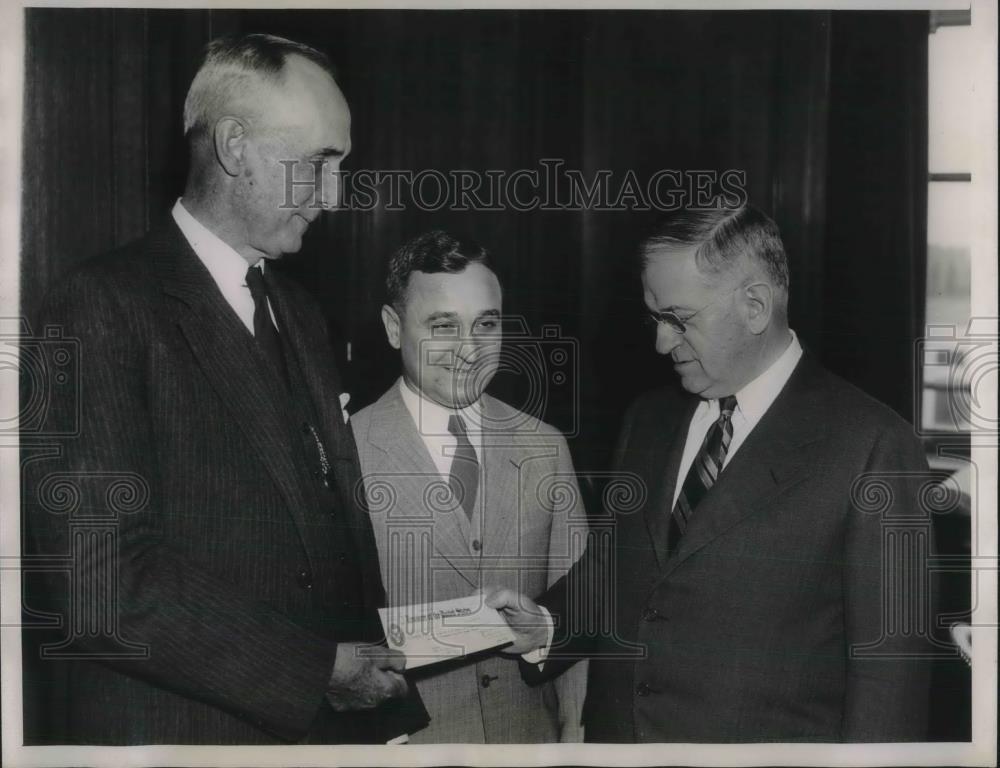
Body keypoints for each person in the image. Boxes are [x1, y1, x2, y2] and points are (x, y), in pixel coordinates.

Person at [22, 33, 426, 744]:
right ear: (236, 147)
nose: (333, 197)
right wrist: (318, 673)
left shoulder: (297, 308)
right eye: (318, 164)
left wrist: (382, 708)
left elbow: (327, 536)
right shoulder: (98, 305)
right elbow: (101, 582)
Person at [488, 205, 935, 742]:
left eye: (679, 319)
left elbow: (889, 683)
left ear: (754, 307)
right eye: (654, 318)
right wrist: (547, 624)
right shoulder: (648, 420)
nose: (660, 342)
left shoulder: (873, 447)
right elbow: (619, 574)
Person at [350, 230, 588, 742]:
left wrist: (574, 732)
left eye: (486, 324)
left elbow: (581, 605)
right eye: (443, 326)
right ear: (394, 328)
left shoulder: (545, 447)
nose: (469, 350)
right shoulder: (346, 450)